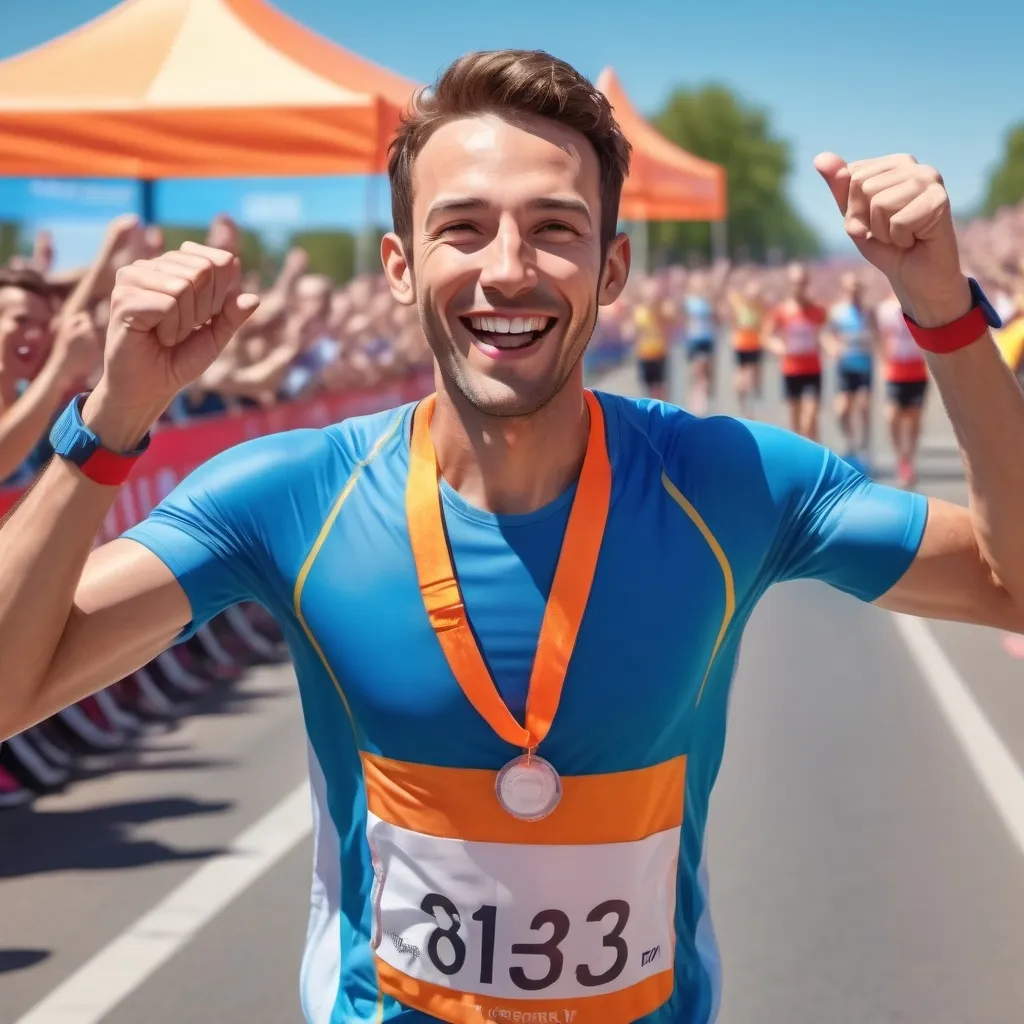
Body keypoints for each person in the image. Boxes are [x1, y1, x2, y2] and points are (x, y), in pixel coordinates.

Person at [1, 49, 1022, 1024]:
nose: (508, 269)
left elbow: (1008, 585)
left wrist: (942, 312)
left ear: (612, 267)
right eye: (463, 227)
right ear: (400, 266)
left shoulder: (732, 482)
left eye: (553, 227)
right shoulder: (291, 494)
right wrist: (111, 417)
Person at [763, 262, 827, 440]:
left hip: (813, 368)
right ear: (789, 284)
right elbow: (766, 336)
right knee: (796, 418)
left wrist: (830, 344)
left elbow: (825, 333)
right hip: (791, 369)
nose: (798, 286)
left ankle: (815, 454)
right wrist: (777, 346)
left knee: (811, 414)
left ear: (807, 283)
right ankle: (801, 456)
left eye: (802, 282)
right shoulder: (782, 310)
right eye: (794, 282)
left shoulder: (817, 310)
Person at [823, 270, 877, 472]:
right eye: (850, 288)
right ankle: (851, 441)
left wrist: (877, 349)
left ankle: (865, 447)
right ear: (844, 290)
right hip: (845, 366)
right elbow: (826, 334)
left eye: (857, 288)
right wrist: (832, 347)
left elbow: (878, 335)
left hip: (864, 365)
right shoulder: (837, 312)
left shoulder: (868, 312)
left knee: (863, 406)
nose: (853, 292)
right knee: (842, 410)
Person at [877, 285, 930, 488]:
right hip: (895, 369)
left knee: (914, 416)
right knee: (892, 415)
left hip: (917, 369)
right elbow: (881, 338)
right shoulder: (885, 309)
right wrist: (882, 362)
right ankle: (901, 457)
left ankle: (909, 458)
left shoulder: (920, 306)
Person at [725, 277, 765, 418]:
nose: (753, 296)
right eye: (751, 293)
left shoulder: (760, 307)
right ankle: (742, 402)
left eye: (756, 294)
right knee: (742, 378)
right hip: (741, 344)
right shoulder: (738, 303)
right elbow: (727, 292)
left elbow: (764, 324)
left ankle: (754, 404)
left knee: (755, 376)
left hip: (755, 345)